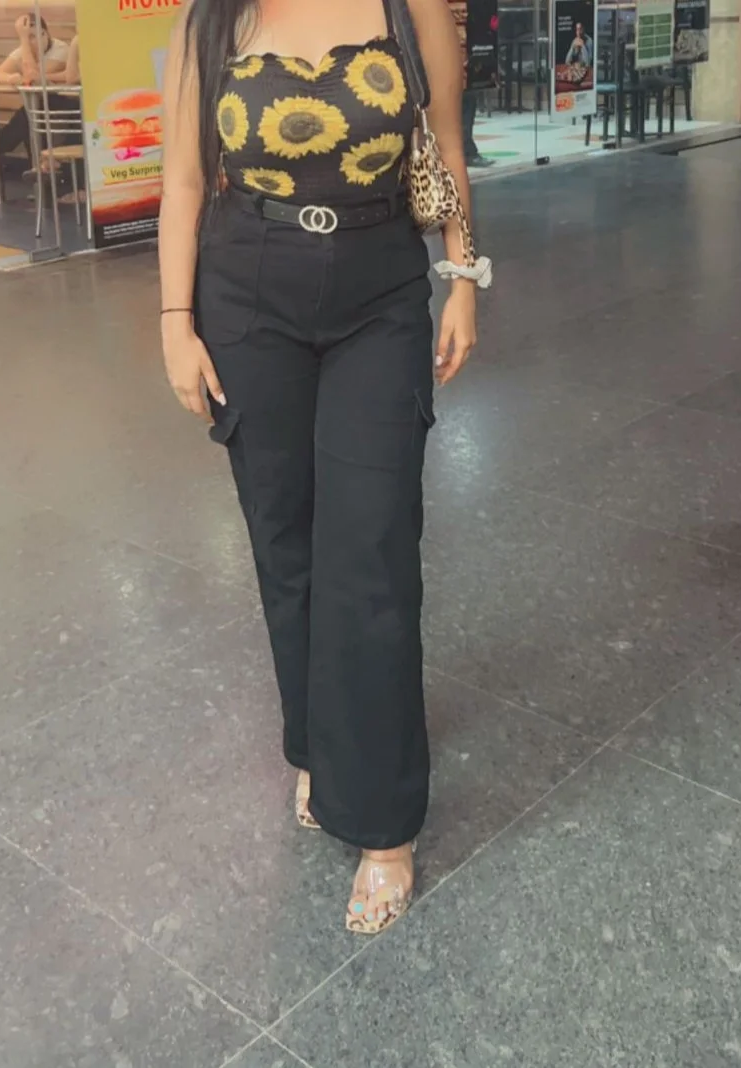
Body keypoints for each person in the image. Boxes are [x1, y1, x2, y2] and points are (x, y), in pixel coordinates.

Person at [159, 0, 484, 934]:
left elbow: (445, 146)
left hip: (379, 289)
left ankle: (383, 821)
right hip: (246, 287)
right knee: (285, 538)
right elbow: (185, 180)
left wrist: (464, 278)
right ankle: (317, 744)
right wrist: (175, 323)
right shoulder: (213, 20)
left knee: (372, 549)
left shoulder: (410, 8)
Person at [0, 15, 73, 168]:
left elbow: (33, 77)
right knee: (29, 116)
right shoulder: (23, 51)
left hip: (65, 105)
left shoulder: (60, 48)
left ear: (45, 33)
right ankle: (35, 166)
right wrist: (10, 78)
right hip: (42, 106)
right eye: (25, 37)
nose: (29, 42)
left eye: (32, 36)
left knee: (27, 115)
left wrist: (23, 40)